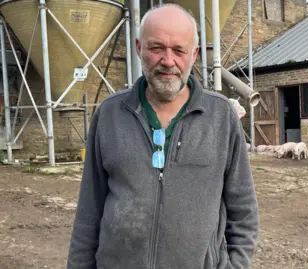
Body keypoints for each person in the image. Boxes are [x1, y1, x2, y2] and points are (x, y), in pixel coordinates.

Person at [66, 3, 259, 269]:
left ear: (194, 54)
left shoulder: (222, 117)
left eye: (179, 50)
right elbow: (89, 210)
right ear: (139, 48)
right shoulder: (109, 114)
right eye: (157, 48)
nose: (168, 61)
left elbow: (244, 211)